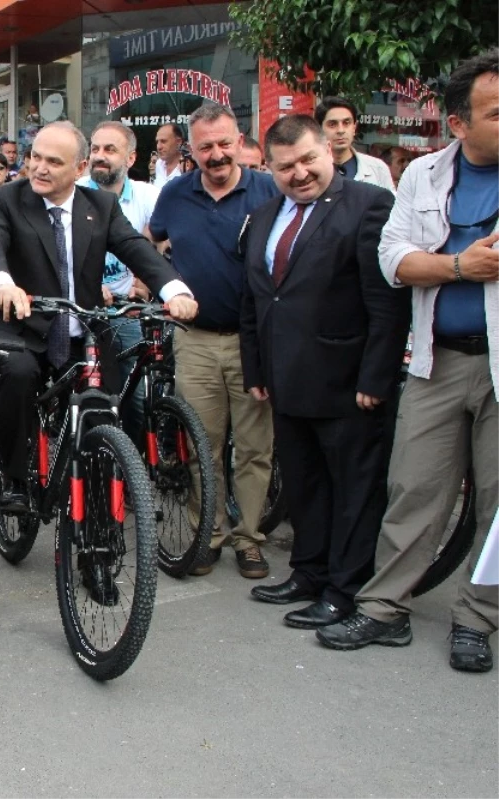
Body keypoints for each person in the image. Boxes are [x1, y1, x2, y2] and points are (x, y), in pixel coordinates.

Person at [318, 50, 499, 673]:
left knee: (498, 503)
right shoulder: (423, 175)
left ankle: (477, 616)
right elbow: (393, 260)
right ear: (458, 123)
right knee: (415, 487)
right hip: (435, 361)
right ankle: (385, 605)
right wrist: (458, 267)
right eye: (495, 112)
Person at [0, 121, 197, 512]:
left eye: (53, 162)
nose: (39, 168)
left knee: (106, 401)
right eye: (34, 157)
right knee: (21, 376)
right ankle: (14, 477)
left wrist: (174, 290)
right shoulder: (7, 199)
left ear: (79, 170)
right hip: (22, 327)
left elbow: (136, 249)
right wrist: (1, 284)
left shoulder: (101, 207)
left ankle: (99, 498)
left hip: (82, 329)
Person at [241, 115, 410, 629]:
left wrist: (375, 379)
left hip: (348, 384)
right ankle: (309, 572)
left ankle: (346, 589)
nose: (300, 173)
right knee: (305, 486)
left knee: (353, 493)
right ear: (270, 168)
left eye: (309, 159)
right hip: (287, 380)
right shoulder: (266, 214)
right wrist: (257, 367)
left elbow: (386, 304)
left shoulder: (369, 205)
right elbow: (256, 298)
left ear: (330, 152)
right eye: (286, 166)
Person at [149, 104, 280, 579]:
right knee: (202, 443)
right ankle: (208, 534)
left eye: (225, 143)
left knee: (253, 447)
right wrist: (159, 283)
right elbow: (150, 241)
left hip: (254, 342)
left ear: (240, 140)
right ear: (192, 149)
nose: (217, 154)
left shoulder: (269, 190)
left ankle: (249, 539)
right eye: (206, 146)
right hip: (196, 340)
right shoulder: (175, 194)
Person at [84, 121, 162, 435]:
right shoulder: (73, 193)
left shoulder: (148, 196)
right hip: (80, 305)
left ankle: (134, 468)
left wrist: (142, 283)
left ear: (130, 159)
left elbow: (161, 242)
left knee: (136, 392)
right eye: (95, 149)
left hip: (126, 309)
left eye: (110, 150)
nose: (100, 156)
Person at [315, 97, 394, 190]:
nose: (341, 130)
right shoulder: (312, 170)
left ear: (354, 127)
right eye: (332, 124)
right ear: (319, 129)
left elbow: (391, 203)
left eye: (346, 123)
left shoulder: (378, 168)